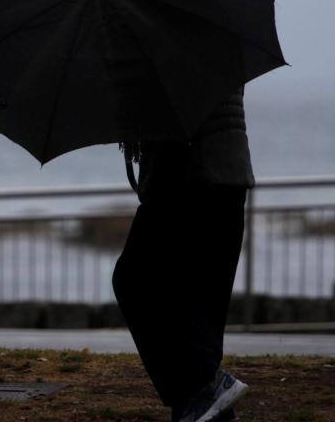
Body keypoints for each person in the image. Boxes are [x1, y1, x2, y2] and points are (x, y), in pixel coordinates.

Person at [109, 43, 253, 422]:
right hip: (225, 171)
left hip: (190, 174)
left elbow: (174, 102)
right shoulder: (206, 28)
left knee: (136, 281)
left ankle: (204, 392)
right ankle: (206, 399)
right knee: (196, 312)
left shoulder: (167, 38)